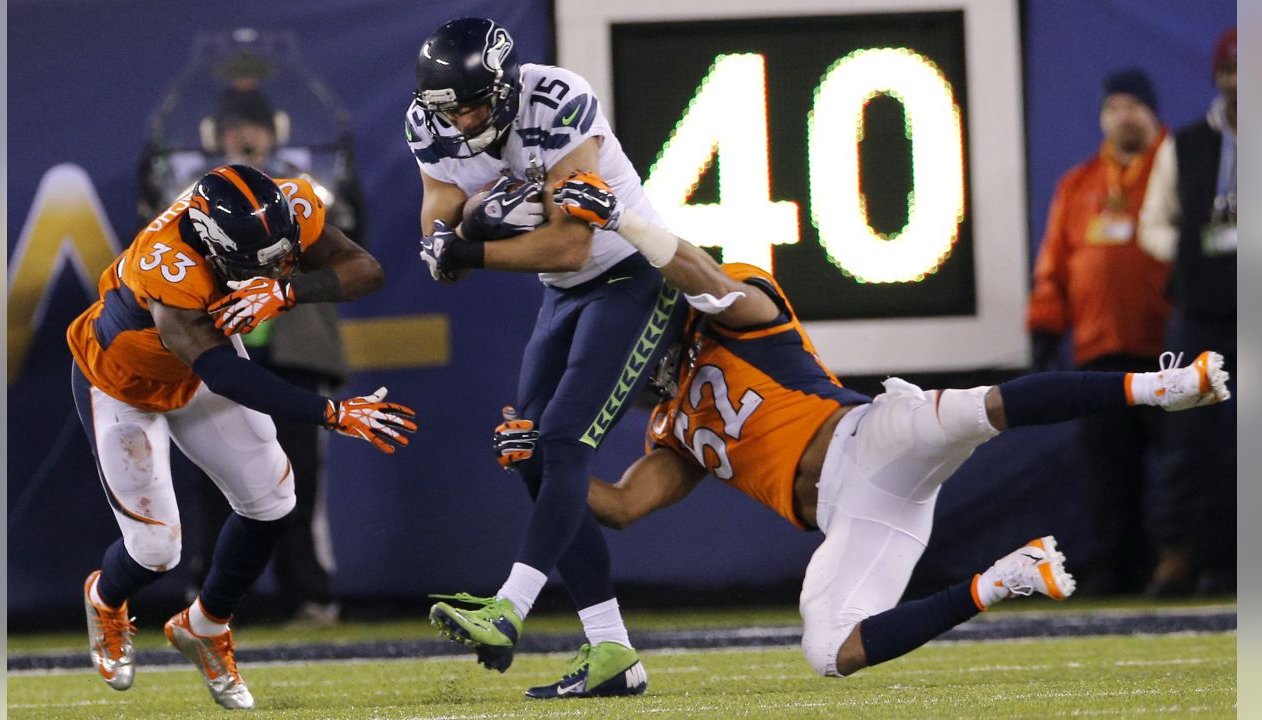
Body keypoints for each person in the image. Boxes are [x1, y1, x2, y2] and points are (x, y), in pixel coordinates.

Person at [492, 170, 1231, 685]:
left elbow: (707, 280)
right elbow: (619, 507)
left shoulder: (738, 307)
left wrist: (623, 220)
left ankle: (1159, 384)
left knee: (987, 407)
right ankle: (1006, 579)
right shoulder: (672, 428)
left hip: (869, 434)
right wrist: (541, 463)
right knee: (828, 652)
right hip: (858, 516)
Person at [68, 164, 416, 709]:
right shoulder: (169, 261)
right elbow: (225, 373)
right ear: (211, 242)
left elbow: (365, 270)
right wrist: (329, 412)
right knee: (157, 550)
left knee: (274, 502)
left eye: (282, 254)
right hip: (123, 383)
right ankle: (106, 598)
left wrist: (288, 289)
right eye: (260, 262)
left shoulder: (287, 207)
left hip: (197, 368)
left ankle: (205, 625)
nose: (272, 265)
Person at [405, 17, 683, 696]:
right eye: (452, 109)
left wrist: (470, 245)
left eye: (474, 103)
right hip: (562, 297)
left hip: (630, 277)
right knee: (527, 447)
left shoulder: (556, 99)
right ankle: (613, 650)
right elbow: (438, 229)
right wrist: (459, 234)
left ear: (503, 87)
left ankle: (510, 607)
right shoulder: (429, 122)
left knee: (560, 440)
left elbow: (571, 245)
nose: (464, 119)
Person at [179, 85, 367, 627]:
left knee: (299, 476)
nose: (244, 136)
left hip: (293, 346)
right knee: (216, 475)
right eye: (233, 126)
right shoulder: (191, 191)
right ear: (215, 135)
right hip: (217, 347)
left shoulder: (307, 187)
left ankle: (308, 593)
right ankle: (212, 594)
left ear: (275, 131)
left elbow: (353, 252)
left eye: (253, 125)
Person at [1026, 68, 1176, 594]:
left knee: (1184, 464)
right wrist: (1045, 325)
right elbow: (1055, 264)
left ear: (1153, 113)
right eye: (1115, 107)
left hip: (1171, 347)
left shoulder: (1180, 168)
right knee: (1108, 470)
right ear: (1102, 116)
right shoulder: (1080, 183)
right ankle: (1116, 564)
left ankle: (1185, 560)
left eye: (1134, 105)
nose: (1124, 116)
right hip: (1101, 349)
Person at [1139, 27, 1237, 596]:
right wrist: (1184, 257)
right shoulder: (1188, 143)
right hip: (1201, 310)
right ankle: (1178, 557)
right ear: (1218, 77)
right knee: (1187, 444)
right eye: (1230, 73)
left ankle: (1233, 559)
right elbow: (1154, 222)